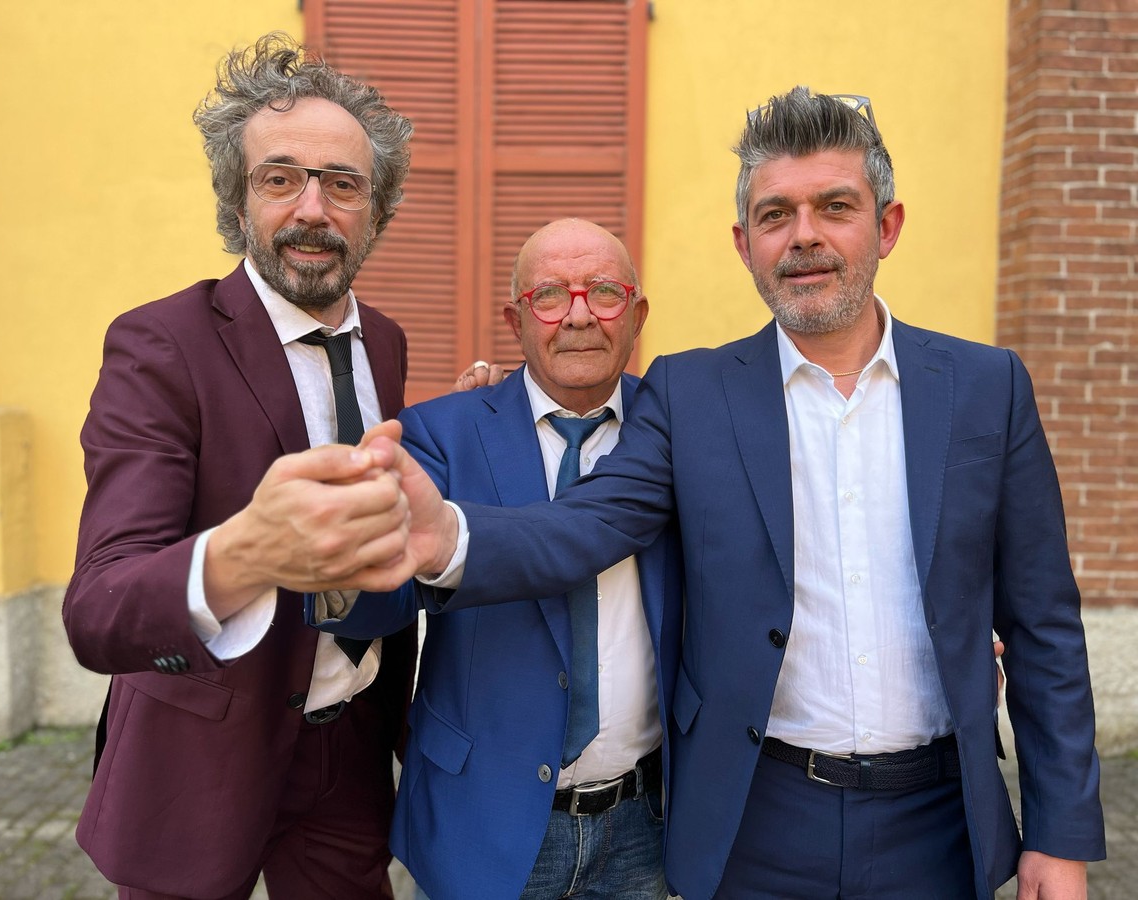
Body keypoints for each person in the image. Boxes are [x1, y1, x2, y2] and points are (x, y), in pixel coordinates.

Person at [348, 87, 1107, 899]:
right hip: (759, 823)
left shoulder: (987, 387)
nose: (804, 235)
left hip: (939, 821)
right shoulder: (692, 396)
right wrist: (448, 538)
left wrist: (1058, 836)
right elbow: (587, 524)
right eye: (776, 215)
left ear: (886, 227)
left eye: (835, 206)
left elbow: (1043, 627)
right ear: (745, 245)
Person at [63, 34, 418, 900]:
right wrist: (246, 552)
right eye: (280, 178)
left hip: (351, 748)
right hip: (198, 760)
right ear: (238, 197)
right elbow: (100, 610)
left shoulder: (387, 342)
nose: (313, 209)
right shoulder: (160, 344)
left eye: (343, 184)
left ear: (376, 210)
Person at [309, 218, 681, 899]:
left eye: (603, 292)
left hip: (643, 821)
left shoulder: (681, 428)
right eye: (550, 296)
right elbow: (386, 599)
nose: (578, 317)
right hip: (482, 815)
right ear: (516, 320)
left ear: (637, 314)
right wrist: (344, 563)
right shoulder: (443, 431)